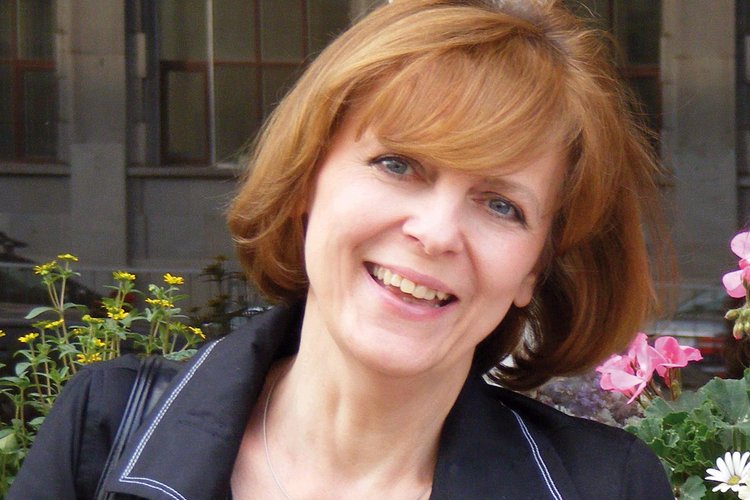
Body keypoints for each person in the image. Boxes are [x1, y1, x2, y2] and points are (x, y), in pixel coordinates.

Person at [10, 0, 674, 498]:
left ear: (534, 268)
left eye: (501, 205)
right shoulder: (106, 430)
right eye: (399, 165)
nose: (435, 233)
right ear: (307, 179)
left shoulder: (606, 487)